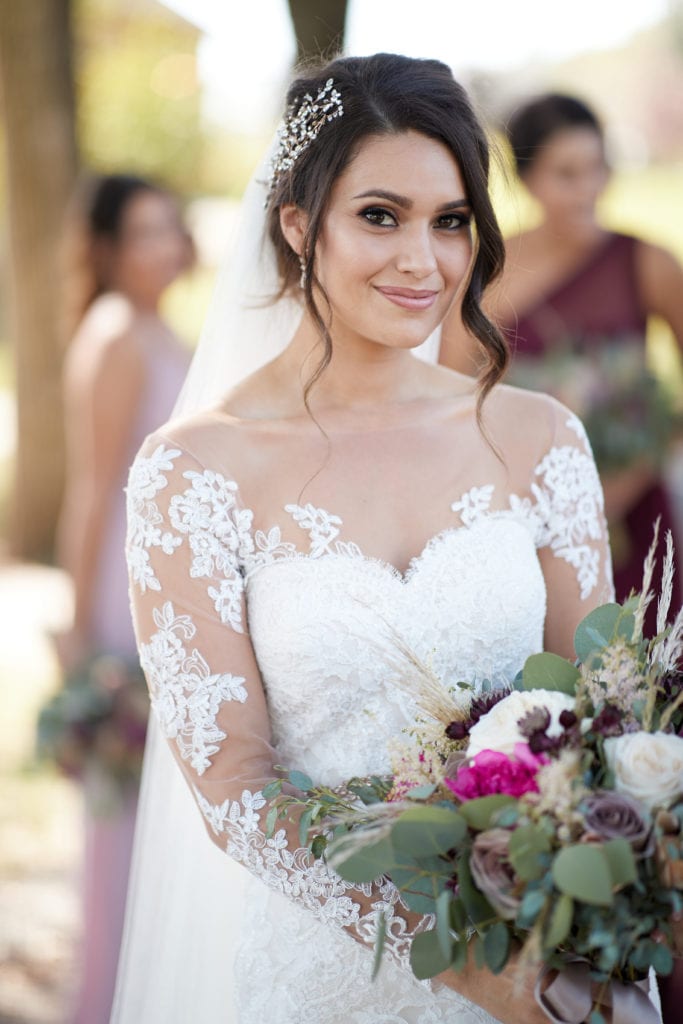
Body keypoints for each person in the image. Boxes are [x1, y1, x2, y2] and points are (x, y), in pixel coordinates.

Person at [116, 56, 618, 1023]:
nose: (420, 260)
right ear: (298, 224)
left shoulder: (539, 438)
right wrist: (461, 961)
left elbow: (600, 716)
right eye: (379, 215)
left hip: (545, 955)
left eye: (450, 220)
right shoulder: (193, 474)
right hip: (330, 974)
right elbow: (234, 789)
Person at [439, 92, 683, 632]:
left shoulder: (645, 260)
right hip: (531, 529)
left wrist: (644, 462)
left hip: (638, 511)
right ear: (527, 180)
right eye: (567, 173)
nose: (588, 189)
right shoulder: (485, 276)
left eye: (598, 168)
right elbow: (447, 402)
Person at [54, 172, 191, 1024]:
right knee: (128, 804)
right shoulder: (115, 336)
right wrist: (79, 629)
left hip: (164, 574)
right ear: (105, 247)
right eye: (144, 233)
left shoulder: (158, 328)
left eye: (171, 228)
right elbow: (94, 488)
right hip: (126, 584)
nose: (165, 248)